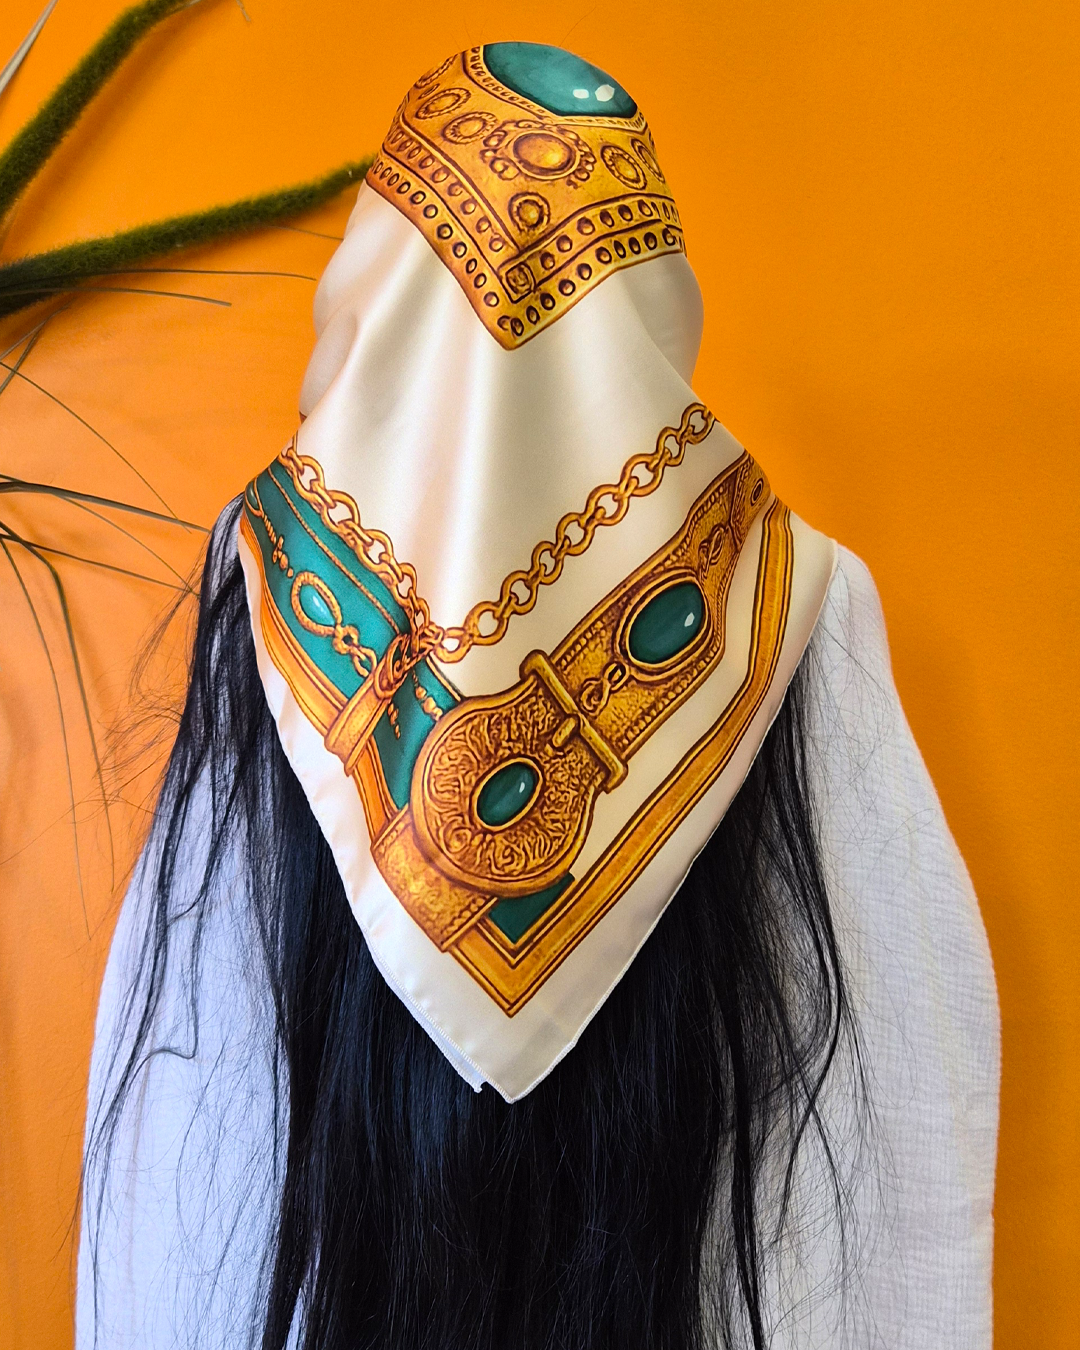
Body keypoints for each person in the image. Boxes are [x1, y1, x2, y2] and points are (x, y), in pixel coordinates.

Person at [77, 42, 999, 1350]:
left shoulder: (275, 577)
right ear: (648, 291)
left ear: (383, 269)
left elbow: (197, 1127)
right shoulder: (788, 592)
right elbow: (888, 1105)